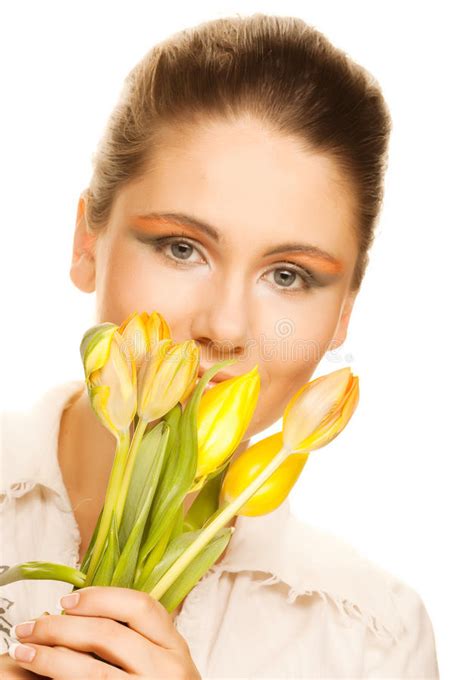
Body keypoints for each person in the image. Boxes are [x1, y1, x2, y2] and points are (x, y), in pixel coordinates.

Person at [0, 12, 440, 679]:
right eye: (182, 248)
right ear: (86, 243)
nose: (226, 329)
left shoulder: (372, 643)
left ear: (344, 311)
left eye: (288, 276)